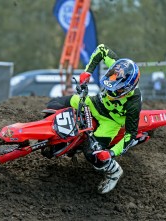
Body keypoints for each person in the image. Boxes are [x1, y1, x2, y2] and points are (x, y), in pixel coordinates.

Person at [46, 44, 142, 194]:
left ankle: (114, 172)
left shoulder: (133, 104)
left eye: (118, 88)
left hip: (110, 121)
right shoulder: (119, 67)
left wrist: (111, 153)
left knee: (93, 154)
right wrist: (87, 73)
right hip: (95, 103)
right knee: (53, 105)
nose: (112, 89)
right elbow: (102, 49)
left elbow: (130, 134)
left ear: (128, 88)